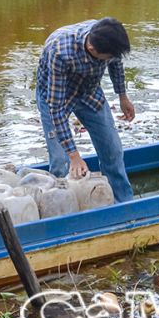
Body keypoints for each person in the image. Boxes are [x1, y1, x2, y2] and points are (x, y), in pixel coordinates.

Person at [35, 17, 135, 202]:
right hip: (56, 96)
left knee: (113, 150)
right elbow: (56, 109)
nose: (111, 59)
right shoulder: (60, 51)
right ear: (92, 50)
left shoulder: (106, 35)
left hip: (89, 92)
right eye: (107, 56)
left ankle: (124, 203)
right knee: (61, 162)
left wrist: (122, 96)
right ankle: (64, 212)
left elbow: (116, 63)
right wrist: (74, 155)